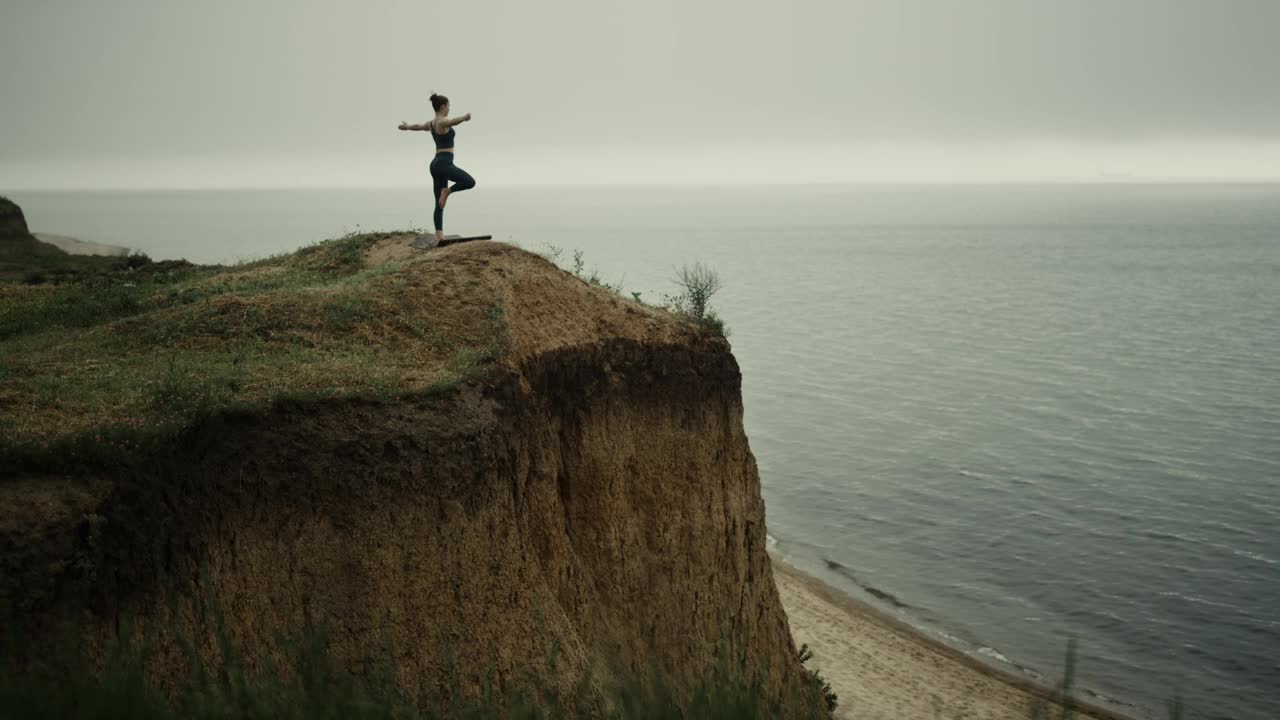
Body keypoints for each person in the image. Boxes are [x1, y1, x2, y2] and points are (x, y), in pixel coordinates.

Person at [398, 93, 475, 242]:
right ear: (443, 106)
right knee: (470, 182)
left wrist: (406, 127)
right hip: (444, 163)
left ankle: (440, 237)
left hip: (435, 164)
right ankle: (448, 191)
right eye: (448, 106)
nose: (449, 109)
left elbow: (418, 126)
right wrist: (464, 118)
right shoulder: (442, 122)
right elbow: (453, 121)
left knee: (438, 204)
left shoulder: (432, 123)